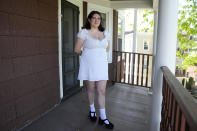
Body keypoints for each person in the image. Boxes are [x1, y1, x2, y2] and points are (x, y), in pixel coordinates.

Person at [74, 11, 114, 129]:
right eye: (94, 18)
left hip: (101, 65)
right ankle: (92, 111)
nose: (97, 20)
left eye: (99, 18)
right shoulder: (84, 32)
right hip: (89, 65)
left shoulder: (105, 33)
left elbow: (107, 49)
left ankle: (103, 117)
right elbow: (77, 49)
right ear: (89, 19)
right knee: (91, 89)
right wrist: (86, 55)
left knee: (102, 90)